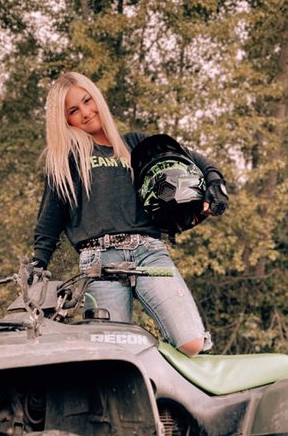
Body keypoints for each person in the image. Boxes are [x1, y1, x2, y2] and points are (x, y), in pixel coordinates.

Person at [32, 71, 228, 356]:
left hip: (150, 253)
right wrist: (38, 267)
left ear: (97, 98)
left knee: (191, 342)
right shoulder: (67, 160)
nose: (85, 113)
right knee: (114, 358)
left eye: (87, 101)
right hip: (99, 265)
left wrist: (216, 184)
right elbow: (48, 223)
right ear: (66, 120)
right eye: (74, 110)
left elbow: (196, 160)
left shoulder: (136, 144)